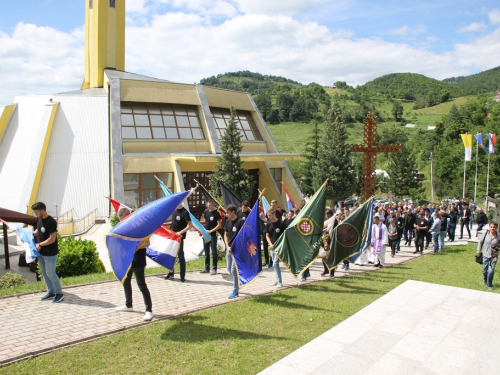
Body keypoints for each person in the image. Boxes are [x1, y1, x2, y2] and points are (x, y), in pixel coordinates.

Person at [115, 207, 153, 321]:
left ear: (127, 217)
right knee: (126, 282)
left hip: (138, 260)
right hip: (127, 260)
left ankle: (149, 310)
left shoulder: (138, 228)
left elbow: (147, 243)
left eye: (122, 220)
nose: (121, 222)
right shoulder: (123, 228)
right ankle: (128, 305)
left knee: (141, 284)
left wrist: (137, 247)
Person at [32, 202, 64, 303]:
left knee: (51, 273)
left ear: (42, 211)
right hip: (41, 253)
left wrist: (40, 245)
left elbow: (52, 239)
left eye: (36, 213)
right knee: (44, 273)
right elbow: (39, 229)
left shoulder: (51, 222)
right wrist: (30, 234)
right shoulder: (39, 219)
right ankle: (51, 291)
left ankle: (59, 293)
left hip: (50, 253)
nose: (36, 215)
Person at [165, 203, 193, 282]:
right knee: (171, 255)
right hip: (173, 237)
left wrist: (180, 232)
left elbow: (190, 225)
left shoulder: (185, 212)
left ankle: (182, 275)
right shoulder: (175, 211)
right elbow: (174, 223)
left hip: (179, 238)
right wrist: (165, 225)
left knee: (180, 256)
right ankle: (171, 273)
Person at [224, 204, 244, 299]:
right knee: (228, 269)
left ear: (233, 212)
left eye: (228, 213)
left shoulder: (240, 222)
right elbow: (225, 234)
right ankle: (238, 281)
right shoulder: (227, 221)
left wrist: (236, 247)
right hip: (229, 249)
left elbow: (242, 237)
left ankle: (235, 291)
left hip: (237, 250)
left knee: (233, 269)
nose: (226, 214)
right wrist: (227, 246)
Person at [476, 221, 500, 291]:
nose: (492, 228)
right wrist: (478, 251)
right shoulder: (486, 233)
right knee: (484, 270)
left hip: (493, 256)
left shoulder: (499, 236)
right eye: (491, 227)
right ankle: (484, 279)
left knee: (491, 271)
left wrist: (497, 249)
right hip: (485, 254)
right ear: (489, 227)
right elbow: (480, 242)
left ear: (496, 228)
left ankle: (489, 285)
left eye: (494, 227)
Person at [201, 199, 222, 275]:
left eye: (210, 205)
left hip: (213, 235)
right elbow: (205, 221)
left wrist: (211, 231)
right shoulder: (206, 212)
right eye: (208, 205)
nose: (208, 206)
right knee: (206, 252)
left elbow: (219, 225)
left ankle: (214, 268)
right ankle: (207, 268)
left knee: (214, 252)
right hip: (206, 235)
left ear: (213, 205)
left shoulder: (217, 213)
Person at [266, 209, 284, 288]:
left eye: (269, 215)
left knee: (275, 263)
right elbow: (267, 236)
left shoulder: (281, 223)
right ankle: (277, 279)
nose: (268, 217)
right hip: (272, 248)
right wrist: (270, 244)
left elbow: (284, 235)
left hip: (279, 247)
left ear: (274, 214)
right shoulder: (269, 224)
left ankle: (279, 281)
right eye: (268, 215)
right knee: (274, 264)